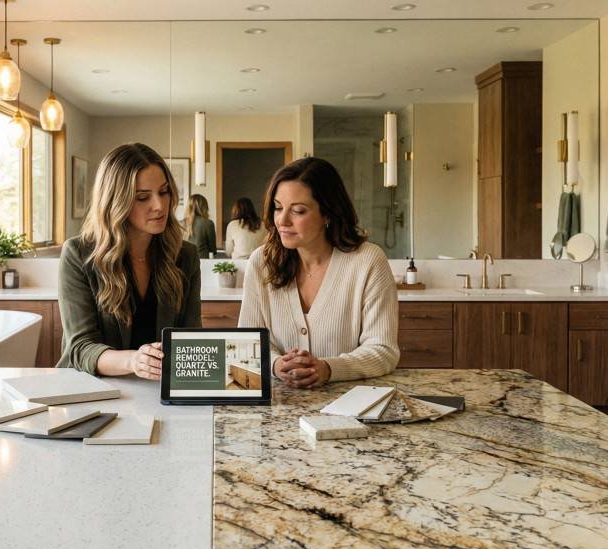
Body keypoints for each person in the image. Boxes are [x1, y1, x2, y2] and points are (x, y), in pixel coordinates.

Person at [238, 157, 398, 388]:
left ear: (328, 214)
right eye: (278, 207)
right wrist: (275, 365)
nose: (282, 220)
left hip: (351, 402)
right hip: (280, 403)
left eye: (298, 211)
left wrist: (329, 368)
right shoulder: (261, 262)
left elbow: (383, 349)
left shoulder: (367, 261)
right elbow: (247, 343)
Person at [57, 143, 201, 379]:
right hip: (92, 388)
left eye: (164, 192)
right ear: (115, 201)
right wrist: (134, 361)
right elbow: (80, 348)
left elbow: (192, 339)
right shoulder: (78, 255)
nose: (159, 206)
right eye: (143, 197)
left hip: (158, 390)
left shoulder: (185, 256)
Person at [184, 193, 217, 259]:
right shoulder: (208, 223)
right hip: (202, 261)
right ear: (205, 207)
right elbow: (212, 249)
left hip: (183, 261)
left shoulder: (179, 223)